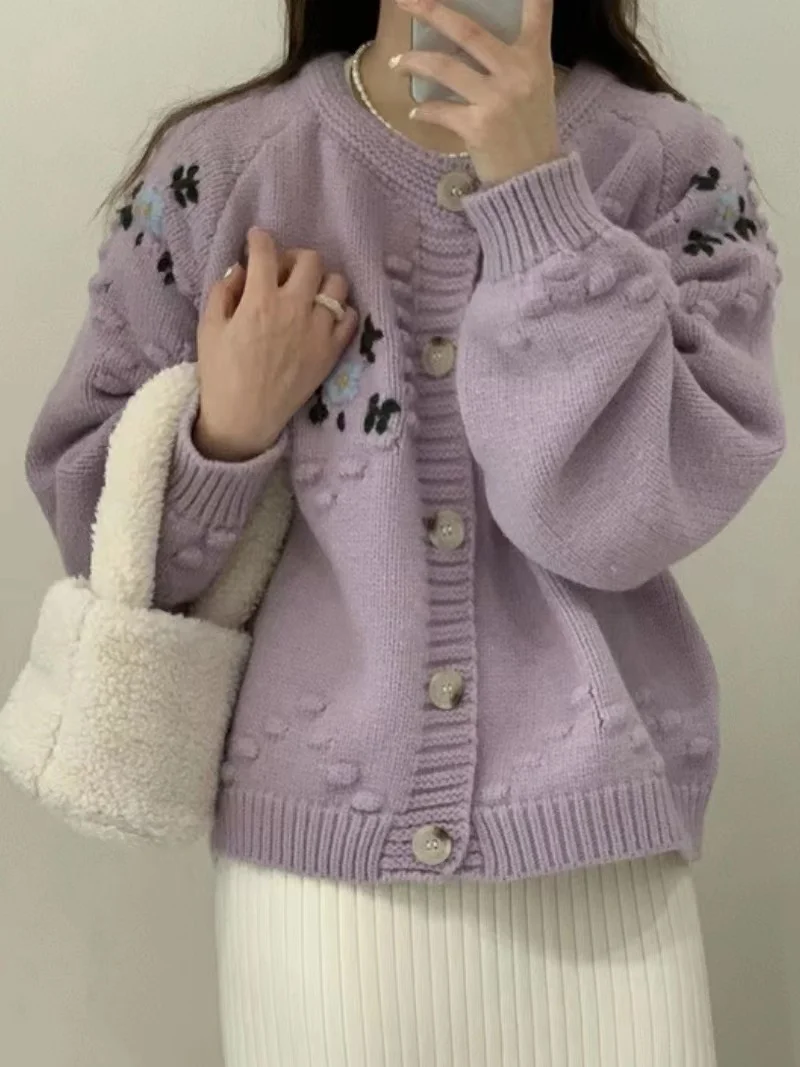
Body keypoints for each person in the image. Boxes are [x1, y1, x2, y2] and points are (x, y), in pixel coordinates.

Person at [25, 0, 784, 1061]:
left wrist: (538, 201)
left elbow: (615, 524)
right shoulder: (218, 170)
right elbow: (100, 537)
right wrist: (224, 433)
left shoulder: (674, 168)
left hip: (603, 865)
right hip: (322, 906)